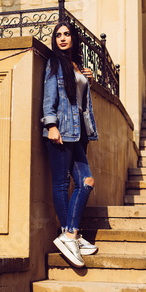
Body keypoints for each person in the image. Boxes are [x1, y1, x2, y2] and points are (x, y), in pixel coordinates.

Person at [41, 21, 99, 268]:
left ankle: (70, 233)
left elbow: (81, 104)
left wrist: (88, 81)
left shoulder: (77, 67)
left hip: (78, 134)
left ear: (73, 38)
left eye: (66, 34)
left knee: (86, 181)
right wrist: (51, 125)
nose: (62, 38)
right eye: (58, 35)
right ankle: (70, 234)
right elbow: (49, 97)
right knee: (63, 183)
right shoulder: (54, 63)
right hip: (61, 132)